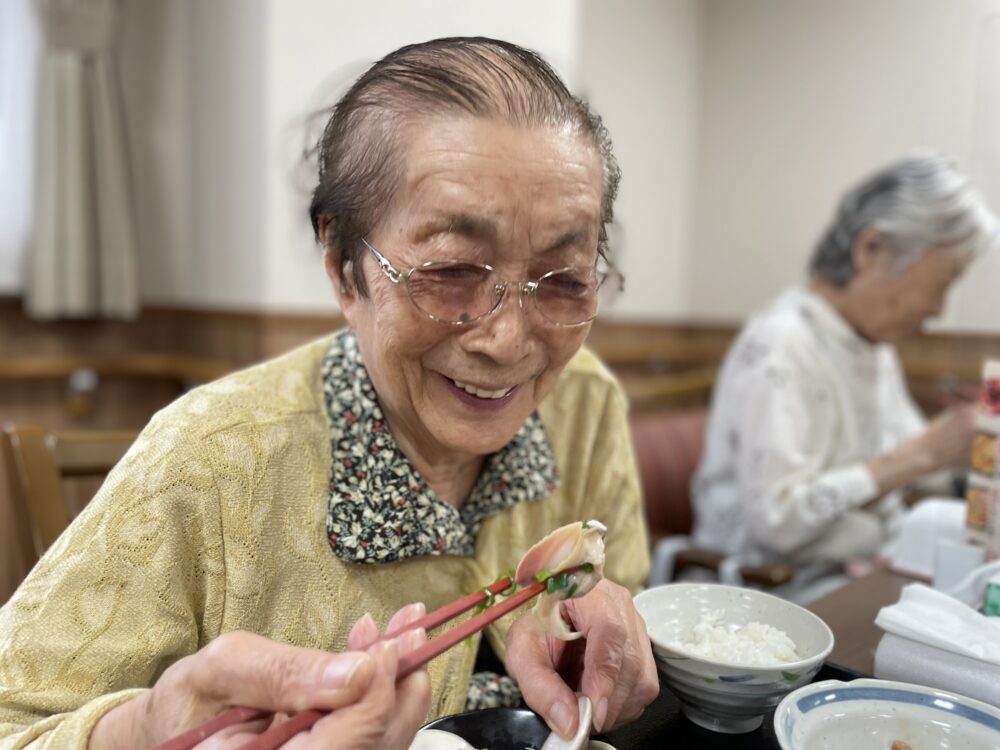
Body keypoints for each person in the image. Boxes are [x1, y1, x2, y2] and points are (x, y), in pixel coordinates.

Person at [0, 37, 658, 749]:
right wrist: (142, 730)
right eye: (451, 271)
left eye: (563, 280)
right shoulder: (206, 461)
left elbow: (615, 604)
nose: (507, 342)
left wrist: (603, 627)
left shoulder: (584, 403)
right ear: (345, 270)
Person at [691, 153, 999, 569]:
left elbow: (911, 457)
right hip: (765, 588)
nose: (939, 309)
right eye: (943, 283)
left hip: (852, 568)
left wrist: (967, 453)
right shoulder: (782, 342)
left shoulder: (872, 346)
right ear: (870, 249)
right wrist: (918, 456)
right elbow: (775, 522)